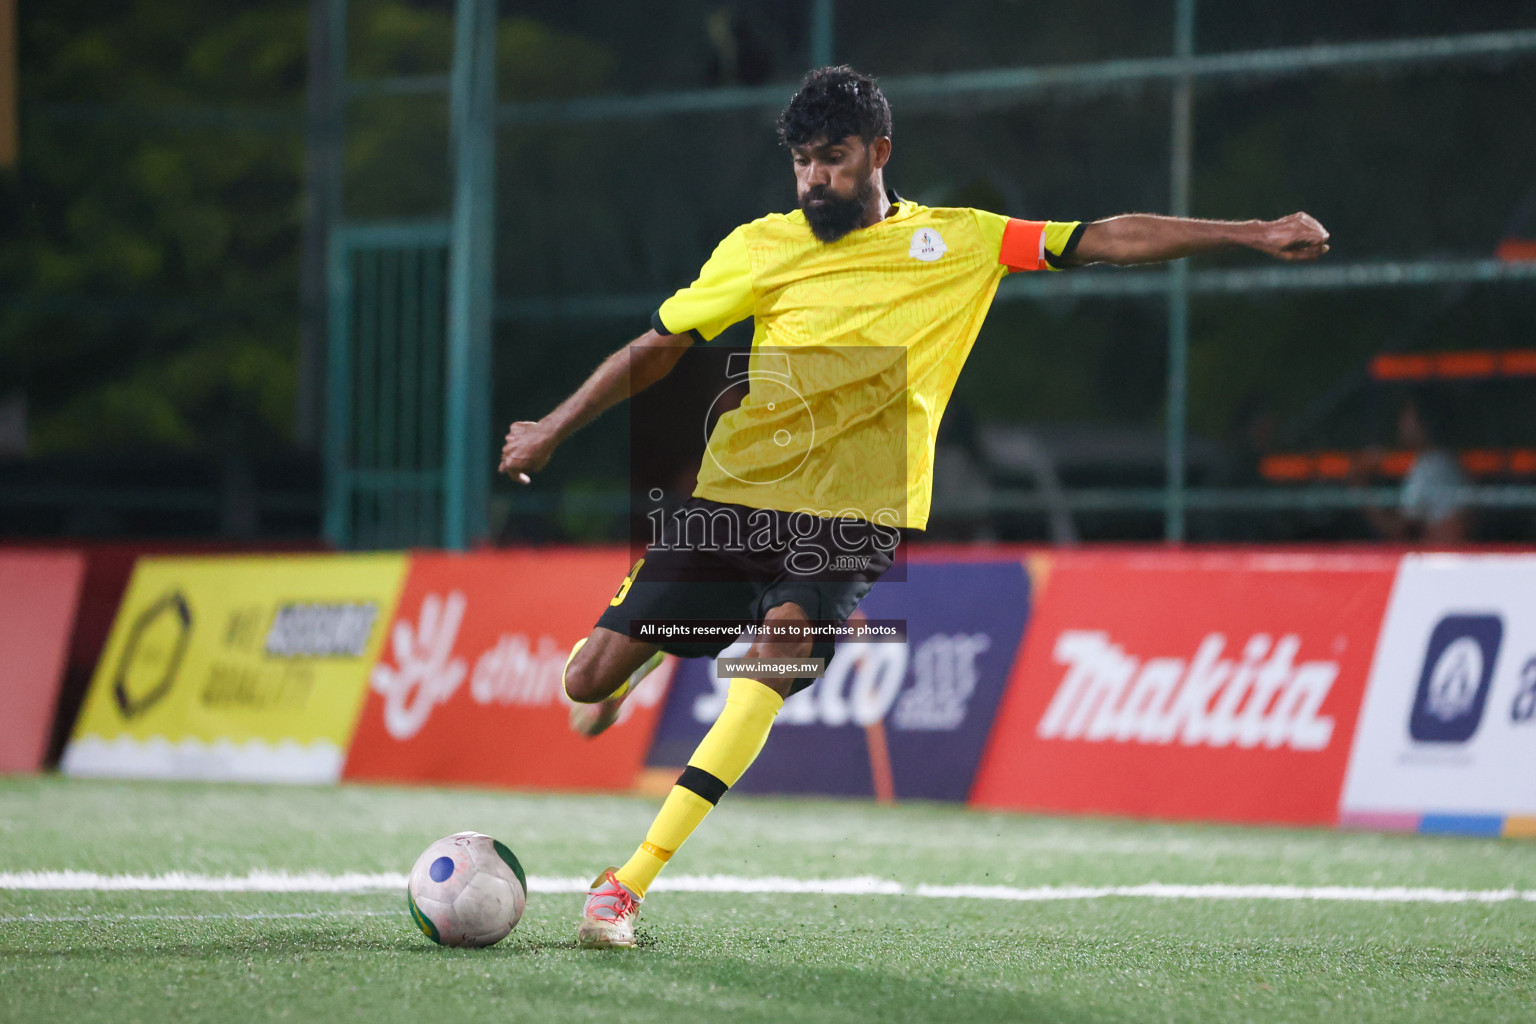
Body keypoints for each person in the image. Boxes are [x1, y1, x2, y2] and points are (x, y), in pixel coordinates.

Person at [496, 65, 1330, 949]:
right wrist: (553, 426)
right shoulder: (761, 247)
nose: (816, 177)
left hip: (858, 512)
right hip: (737, 495)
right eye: (803, 162)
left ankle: (626, 884)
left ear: (879, 154)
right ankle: (650, 658)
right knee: (585, 681)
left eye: (835, 158)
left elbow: (1103, 237)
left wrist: (1250, 230)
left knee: (777, 655)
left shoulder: (961, 242)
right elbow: (658, 346)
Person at [1358, 397, 1471, 543]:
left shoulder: (1431, 467)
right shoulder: (1438, 461)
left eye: (1407, 417)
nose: (1401, 425)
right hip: (1444, 553)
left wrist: (1359, 483)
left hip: (1443, 556)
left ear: (1424, 423)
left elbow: (1397, 529)